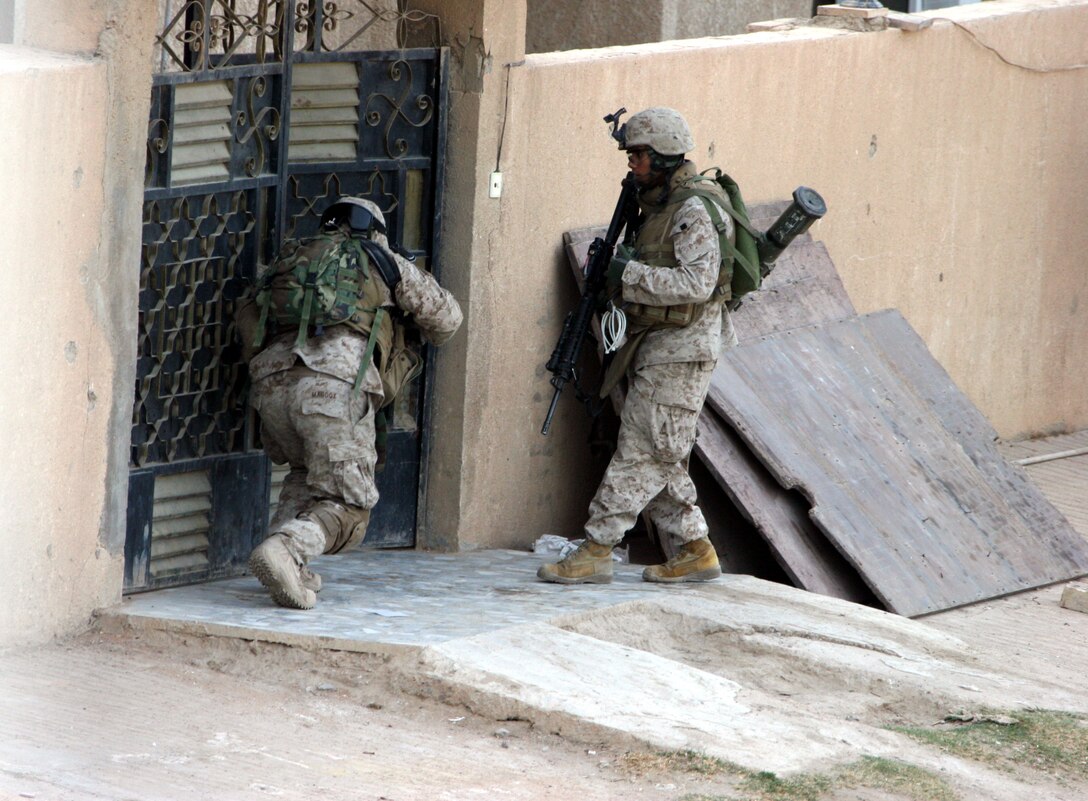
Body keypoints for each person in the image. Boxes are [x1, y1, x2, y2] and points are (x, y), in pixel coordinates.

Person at [538, 107, 737, 585]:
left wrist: (625, 274)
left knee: (641, 449)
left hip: (683, 351)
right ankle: (695, 550)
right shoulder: (659, 203)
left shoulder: (693, 209)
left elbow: (696, 283)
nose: (633, 163)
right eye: (631, 154)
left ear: (667, 156)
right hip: (661, 346)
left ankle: (597, 548)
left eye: (641, 154)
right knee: (662, 450)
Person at [235, 197, 462, 609]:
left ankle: (288, 562)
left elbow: (248, 317)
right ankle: (286, 550)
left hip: (271, 387)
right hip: (333, 387)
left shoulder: (289, 260)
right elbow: (447, 320)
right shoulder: (380, 257)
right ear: (373, 229)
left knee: (308, 474)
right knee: (351, 504)